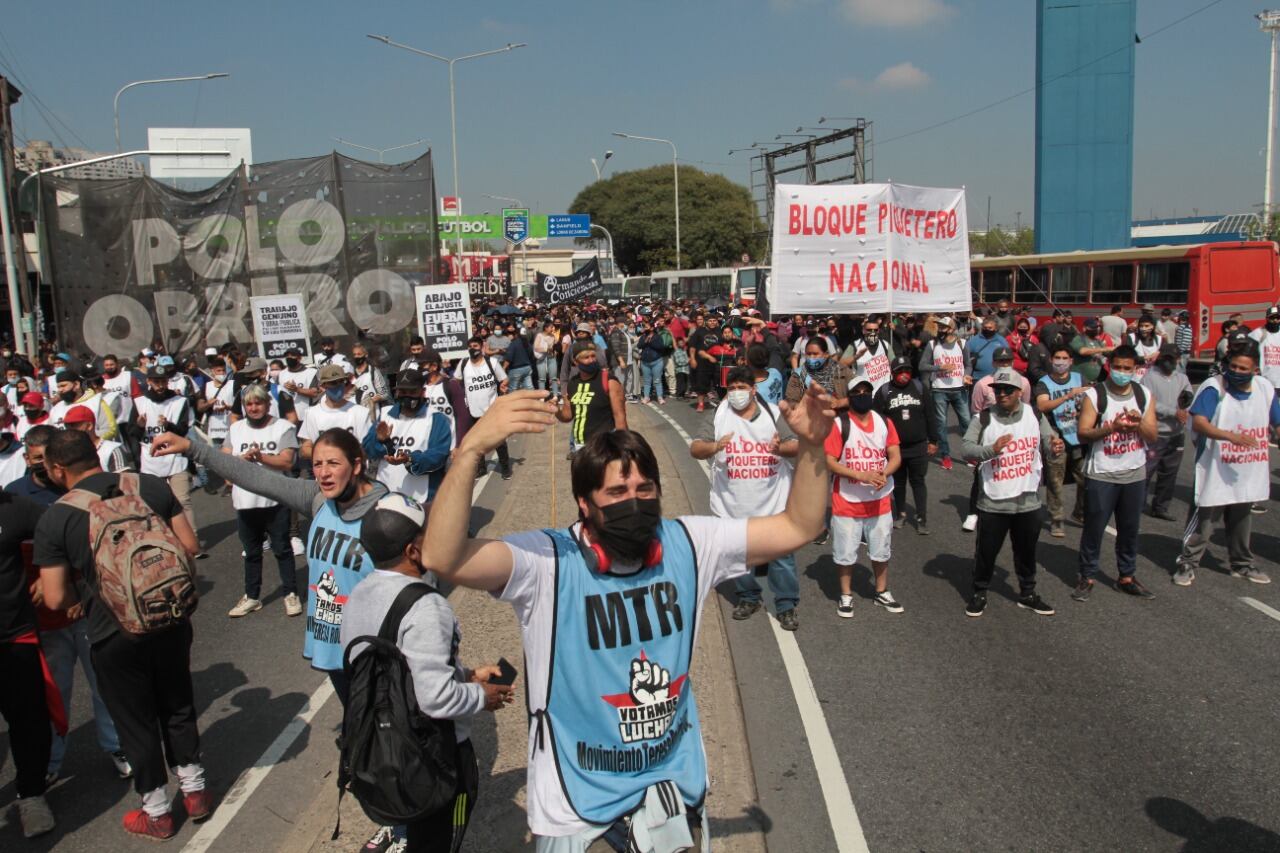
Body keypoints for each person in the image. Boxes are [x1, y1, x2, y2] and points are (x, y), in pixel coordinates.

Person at [417, 380, 831, 850]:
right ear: (584, 503)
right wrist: (470, 450)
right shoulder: (547, 562)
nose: (634, 501)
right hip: (577, 809)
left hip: (674, 794)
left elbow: (800, 525)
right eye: (616, 491)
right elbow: (442, 556)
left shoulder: (691, 543)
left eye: (644, 488)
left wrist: (813, 446)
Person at [35, 430, 209, 840]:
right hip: (169, 616)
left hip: (112, 631)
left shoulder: (57, 517)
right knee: (177, 702)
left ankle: (157, 812)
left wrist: (81, 593)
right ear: (95, 453)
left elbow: (56, 597)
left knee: (134, 720)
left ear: (57, 469)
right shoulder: (148, 485)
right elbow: (189, 544)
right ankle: (195, 791)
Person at [151, 427, 387, 703]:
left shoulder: (386, 511)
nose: (323, 473)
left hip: (374, 650)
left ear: (356, 465)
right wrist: (191, 448)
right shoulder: (319, 499)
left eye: (333, 463)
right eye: (317, 464)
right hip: (332, 647)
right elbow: (255, 477)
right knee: (356, 720)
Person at [341, 494, 514, 852]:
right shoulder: (427, 606)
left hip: (386, 749)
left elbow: (401, 671)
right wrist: (482, 695)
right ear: (413, 550)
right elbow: (435, 699)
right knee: (441, 839)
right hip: (436, 760)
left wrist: (466, 675)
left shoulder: (359, 594)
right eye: (429, 534)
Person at [691, 367, 801, 630]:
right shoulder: (718, 415)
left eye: (742, 387)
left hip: (773, 502)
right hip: (732, 503)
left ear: (754, 389)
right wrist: (715, 446)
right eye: (732, 388)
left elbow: (795, 444)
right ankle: (748, 597)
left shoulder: (773, 414)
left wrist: (780, 448)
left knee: (781, 558)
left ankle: (786, 605)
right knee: (738, 556)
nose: (736, 393)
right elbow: (696, 448)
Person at [1173, 342, 1280, 586]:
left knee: (1242, 520)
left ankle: (1241, 563)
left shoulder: (1264, 388)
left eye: (1243, 368)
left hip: (1246, 470)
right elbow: (1199, 422)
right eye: (1233, 366)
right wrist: (1231, 437)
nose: (1236, 371)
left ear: (1255, 370)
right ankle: (1187, 562)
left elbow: (1277, 421)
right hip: (1215, 468)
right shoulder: (1214, 387)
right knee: (1205, 520)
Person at [961, 367, 1061, 617]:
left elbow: (1049, 442)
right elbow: (966, 448)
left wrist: (1055, 446)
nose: (1002, 394)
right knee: (986, 552)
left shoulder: (1034, 415)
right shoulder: (984, 418)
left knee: (1026, 552)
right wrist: (991, 450)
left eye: (1007, 390)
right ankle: (979, 591)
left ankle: (1027, 593)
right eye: (998, 390)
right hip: (993, 501)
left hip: (1027, 500)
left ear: (1019, 392)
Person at [1073, 345, 1159, 602]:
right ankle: (1087, 576)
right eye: (1117, 367)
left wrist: (1137, 423)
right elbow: (1083, 433)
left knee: (1129, 529)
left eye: (1127, 368)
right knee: (1094, 528)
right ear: (1109, 366)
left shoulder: (1143, 394)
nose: (1121, 372)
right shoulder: (1095, 395)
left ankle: (1127, 576)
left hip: (1134, 472)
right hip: (1102, 473)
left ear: (1135, 369)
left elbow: (1152, 435)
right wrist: (1112, 428)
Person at [0, 483, 58, 837]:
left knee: (28, 722)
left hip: (14, 636)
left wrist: (49, 574)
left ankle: (32, 795)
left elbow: (61, 529)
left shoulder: (14, 507)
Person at [825, 375, 903, 617]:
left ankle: (882, 591)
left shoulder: (884, 422)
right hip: (847, 500)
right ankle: (846, 595)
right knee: (845, 552)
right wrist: (860, 475)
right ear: (849, 398)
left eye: (866, 392)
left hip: (879, 500)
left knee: (881, 549)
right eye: (856, 393)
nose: (862, 396)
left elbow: (895, 456)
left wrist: (883, 473)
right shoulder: (839, 425)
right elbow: (829, 462)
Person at [224, 384, 302, 618]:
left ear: (268, 405)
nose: (253, 408)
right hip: (245, 503)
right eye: (249, 404)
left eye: (258, 403)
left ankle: (290, 593)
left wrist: (261, 457)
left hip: (275, 501)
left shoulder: (283, 427)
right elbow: (225, 463)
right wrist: (243, 459)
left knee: (282, 549)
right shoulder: (235, 428)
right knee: (251, 552)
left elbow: (287, 461)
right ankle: (252, 596)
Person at [134, 363, 202, 556]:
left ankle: (193, 543)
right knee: (154, 505)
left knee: (182, 500)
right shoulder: (139, 402)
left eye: (163, 381)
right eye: (156, 381)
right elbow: (133, 434)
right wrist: (139, 426)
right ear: (149, 381)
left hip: (175, 458)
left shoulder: (179, 401)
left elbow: (183, 430)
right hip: (150, 461)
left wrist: (169, 425)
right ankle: (164, 543)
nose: (160, 385)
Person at [363, 369, 452, 503]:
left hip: (421, 497)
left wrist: (410, 459)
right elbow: (368, 450)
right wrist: (382, 441)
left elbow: (438, 456)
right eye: (403, 392)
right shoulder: (384, 414)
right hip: (386, 495)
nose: (407, 396)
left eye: (412, 392)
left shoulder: (436, 418)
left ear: (422, 392)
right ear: (397, 392)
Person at [875, 356, 938, 535]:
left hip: (918, 446)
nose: (904, 374)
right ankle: (901, 513)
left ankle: (921, 518)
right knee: (899, 482)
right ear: (892, 373)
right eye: (900, 371)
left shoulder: (919, 388)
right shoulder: (884, 391)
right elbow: (876, 421)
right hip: (895, 449)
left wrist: (933, 440)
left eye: (907, 370)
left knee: (918, 481)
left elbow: (930, 415)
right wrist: (879, 447)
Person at [1034, 344, 1088, 536]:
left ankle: (1080, 512)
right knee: (1055, 480)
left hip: (1078, 435)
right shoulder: (1044, 382)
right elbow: (1042, 406)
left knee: (1085, 479)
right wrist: (1068, 396)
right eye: (1057, 358)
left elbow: (1090, 401)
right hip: (1055, 435)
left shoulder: (1079, 378)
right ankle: (1057, 519)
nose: (1061, 362)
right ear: (1051, 360)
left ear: (1071, 361)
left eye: (1065, 358)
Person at [1141, 344, 1193, 521]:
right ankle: (1137, 504)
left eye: (1173, 359)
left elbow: (1189, 398)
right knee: (1146, 472)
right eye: (1166, 358)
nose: (1169, 362)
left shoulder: (1182, 378)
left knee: (1170, 473)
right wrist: (1173, 412)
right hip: (1156, 434)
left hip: (1176, 434)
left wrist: (1185, 409)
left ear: (1178, 359)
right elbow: (1149, 402)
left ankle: (1161, 507)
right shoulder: (1149, 378)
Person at [918, 316, 972, 471]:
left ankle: (970, 454)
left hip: (959, 388)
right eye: (939, 327)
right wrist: (939, 368)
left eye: (943, 327)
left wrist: (967, 375)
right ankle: (945, 455)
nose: (940, 330)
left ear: (952, 329)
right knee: (941, 424)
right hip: (939, 389)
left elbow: (968, 364)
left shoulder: (962, 343)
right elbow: (922, 365)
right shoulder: (932, 344)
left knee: (966, 422)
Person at [558, 340, 627, 459]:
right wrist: (555, 410)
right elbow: (567, 416)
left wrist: (624, 448)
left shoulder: (609, 381)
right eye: (586, 357)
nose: (592, 360)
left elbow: (620, 416)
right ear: (575, 361)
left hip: (604, 446)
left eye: (593, 356)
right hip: (579, 447)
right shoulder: (572, 383)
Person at [457, 336, 512, 480]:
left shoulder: (491, 362)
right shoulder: (463, 364)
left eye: (475, 346)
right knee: (478, 442)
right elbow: (456, 381)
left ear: (482, 347)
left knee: (498, 441)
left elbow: (504, 379)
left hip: (492, 410)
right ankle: (481, 469)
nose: (472, 349)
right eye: (470, 347)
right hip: (473, 411)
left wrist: (503, 385)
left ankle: (505, 467)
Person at [298, 364, 372, 461]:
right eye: (333, 383)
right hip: (324, 469)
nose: (338, 386)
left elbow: (367, 448)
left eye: (341, 381)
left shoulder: (361, 413)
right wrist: (328, 457)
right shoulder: (312, 413)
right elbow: (305, 449)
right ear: (323, 386)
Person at [784, 336, 851, 411]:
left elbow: (859, 395)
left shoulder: (842, 370)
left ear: (826, 354)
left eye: (815, 354)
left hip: (840, 415)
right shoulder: (798, 375)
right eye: (808, 354)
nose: (811, 357)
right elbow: (791, 402)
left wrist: (840, 403)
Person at [63, 405, 132, 472]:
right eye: (67, 426)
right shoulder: (68, 454)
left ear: (89, 426)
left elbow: (123, 478)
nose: (69, 430)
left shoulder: (111, 449)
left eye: (74, 425)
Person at [970, 347, 1031, 414]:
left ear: (1013, 362)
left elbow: (1025, 407)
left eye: (1008, 361)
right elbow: (976, 411)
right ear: (993, 363)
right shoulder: (982, 384)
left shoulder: (1023, 382)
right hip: (990, 419)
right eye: (1001, 361)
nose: (1005, 364)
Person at [840, 318, 895, 392]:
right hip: (865, 392)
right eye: (869, 330)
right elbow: (841, 364)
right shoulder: (855, 346)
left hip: (884, 391)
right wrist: (857, 356)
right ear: (863, 331)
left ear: (878, 331)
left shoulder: (885, 345)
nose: (872, 332)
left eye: (875, 330)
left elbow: (894, 364)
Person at [687, 313, 723, 412]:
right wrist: (692, 358)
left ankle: (722, 403)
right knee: (701, 384)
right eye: (710, 321)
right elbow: (692, 346)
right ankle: (701, 404)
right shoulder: (699, 331)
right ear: (706, 322)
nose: (712, 323)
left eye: (714, 321)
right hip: (702, 362)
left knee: (719, 384)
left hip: (716, 361)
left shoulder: (719, 331)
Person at [637, 318, 670, 405]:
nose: (645, 328)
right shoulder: (643, 337)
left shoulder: (657, 336)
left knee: (657, 380)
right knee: (647, 381)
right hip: (645, 362)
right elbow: (639, 346)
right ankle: (646, 397)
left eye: (647, 327)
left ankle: (660, 397)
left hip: (657, 361)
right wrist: (645, 341)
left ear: (652, 328)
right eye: (644, 327)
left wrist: (650, 342)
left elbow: (661, 347)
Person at [1069, 318, 1111, 384]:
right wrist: (1103, 349)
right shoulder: (1078, 339)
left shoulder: (1098, 341)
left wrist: (1114, 350)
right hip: (1079, 380)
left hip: (1095, 380)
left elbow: (1107, 353)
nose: (1096, 329)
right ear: (1084, 328)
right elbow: (1082, 351)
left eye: (1097, 327)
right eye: (1093, 328)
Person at [1248, 305, 1280, 388]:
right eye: (1272, 318)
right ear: (1267, 318)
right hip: (1265, 380)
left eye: (1277, 318)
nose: (1275, 320)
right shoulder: (1259, 333)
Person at [350, 342, 389, 408]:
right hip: (355, 411)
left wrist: (371, 401)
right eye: (354, 354)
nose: (356, 357)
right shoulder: (351, 373)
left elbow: (384, 394)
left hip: (373, 410)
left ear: (366, 355)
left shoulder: (373, 371)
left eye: (359, 354)